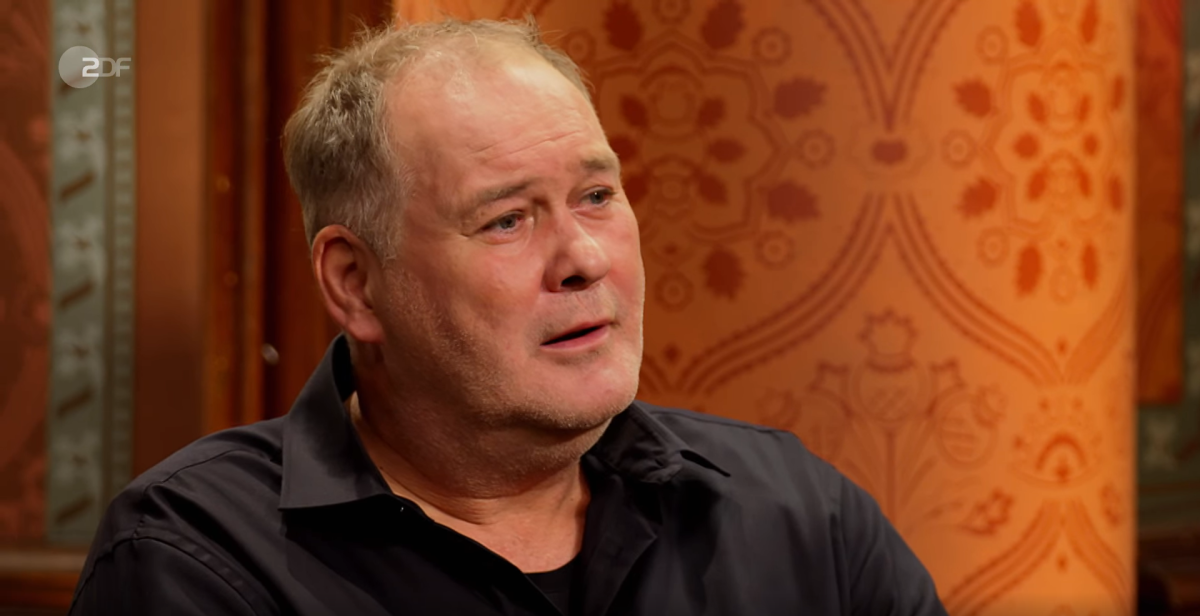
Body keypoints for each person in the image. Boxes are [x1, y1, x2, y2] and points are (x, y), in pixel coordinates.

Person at [69, 18, 947, 616]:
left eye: (596, 196)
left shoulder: (799, 515)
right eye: (507, 220)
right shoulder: (195, 557)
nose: (584, 258)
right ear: (356, 283)